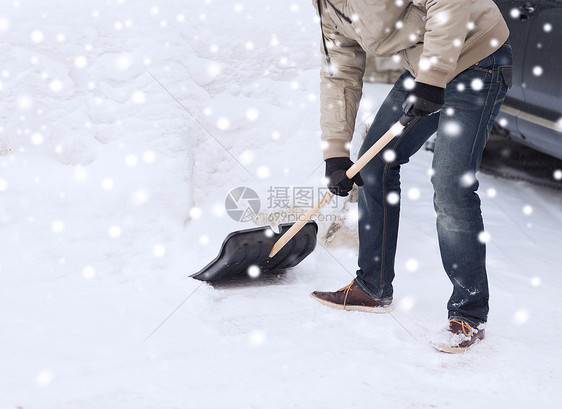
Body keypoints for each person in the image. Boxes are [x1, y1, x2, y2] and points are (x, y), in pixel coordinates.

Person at [310, 0, 513, 353]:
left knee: (451, 185)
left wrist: (432, 78)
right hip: (426, 67)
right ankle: (372, 286)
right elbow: (340, 72)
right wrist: (335, 152)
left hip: (478, 57)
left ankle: (469, 313)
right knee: (373, 166)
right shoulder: (327, 8)